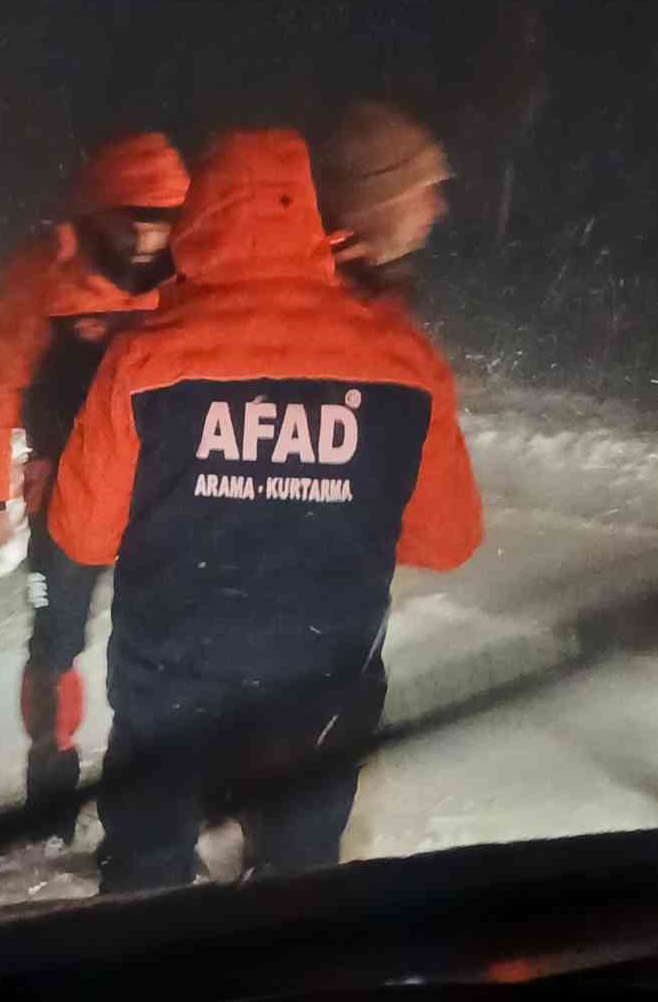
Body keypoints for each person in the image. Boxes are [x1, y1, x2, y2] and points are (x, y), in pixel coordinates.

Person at [34, 128, 483, 892]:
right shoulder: (402, 358)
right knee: (298, 879)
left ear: (198, 222)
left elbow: (80, 531)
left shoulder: (146, 356)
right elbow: (448, 539)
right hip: (323, 680)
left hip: (171, 676)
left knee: (147, 868)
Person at [0, 132, 191, 838]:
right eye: (135, 216)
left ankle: (149, 793)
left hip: (169, 493)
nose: (149, 234)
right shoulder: (45, 279)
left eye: (164, 218)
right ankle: (51, 784)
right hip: (65, 492)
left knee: (164, 647)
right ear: (99, 211)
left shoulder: (196, 279)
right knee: (54, 644)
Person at [314, 101, 453, 298]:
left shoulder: (357, 292)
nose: (440, 207)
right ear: (375, 202)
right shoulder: (329, 305)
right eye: (425, 190)